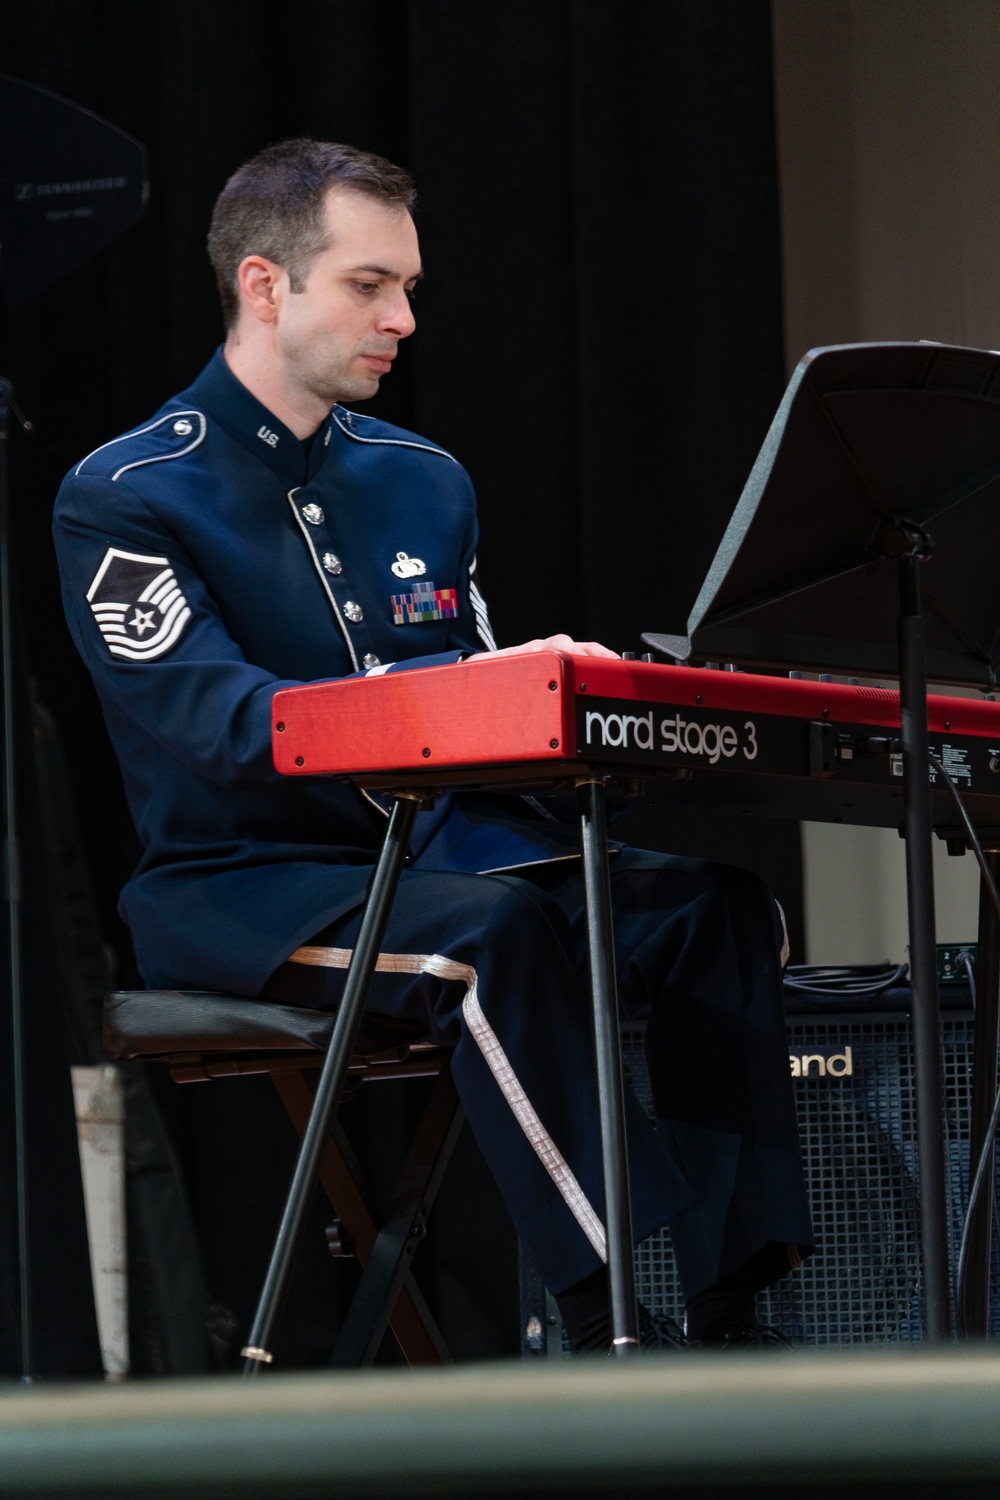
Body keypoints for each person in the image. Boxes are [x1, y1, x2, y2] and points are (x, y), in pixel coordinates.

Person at [53, 138, 813, 1354]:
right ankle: (605, 1315)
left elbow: (479, 725)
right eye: (368, 285)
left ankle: (738, 1305)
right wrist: (450, 686)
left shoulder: (425, 478)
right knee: (491, 936)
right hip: (244, 884)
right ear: (264, 285)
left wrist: (576, 698)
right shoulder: (127, 491)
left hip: (449, 851)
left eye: (408, 286)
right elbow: (217, 724)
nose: (401, 318)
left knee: (710, 909)